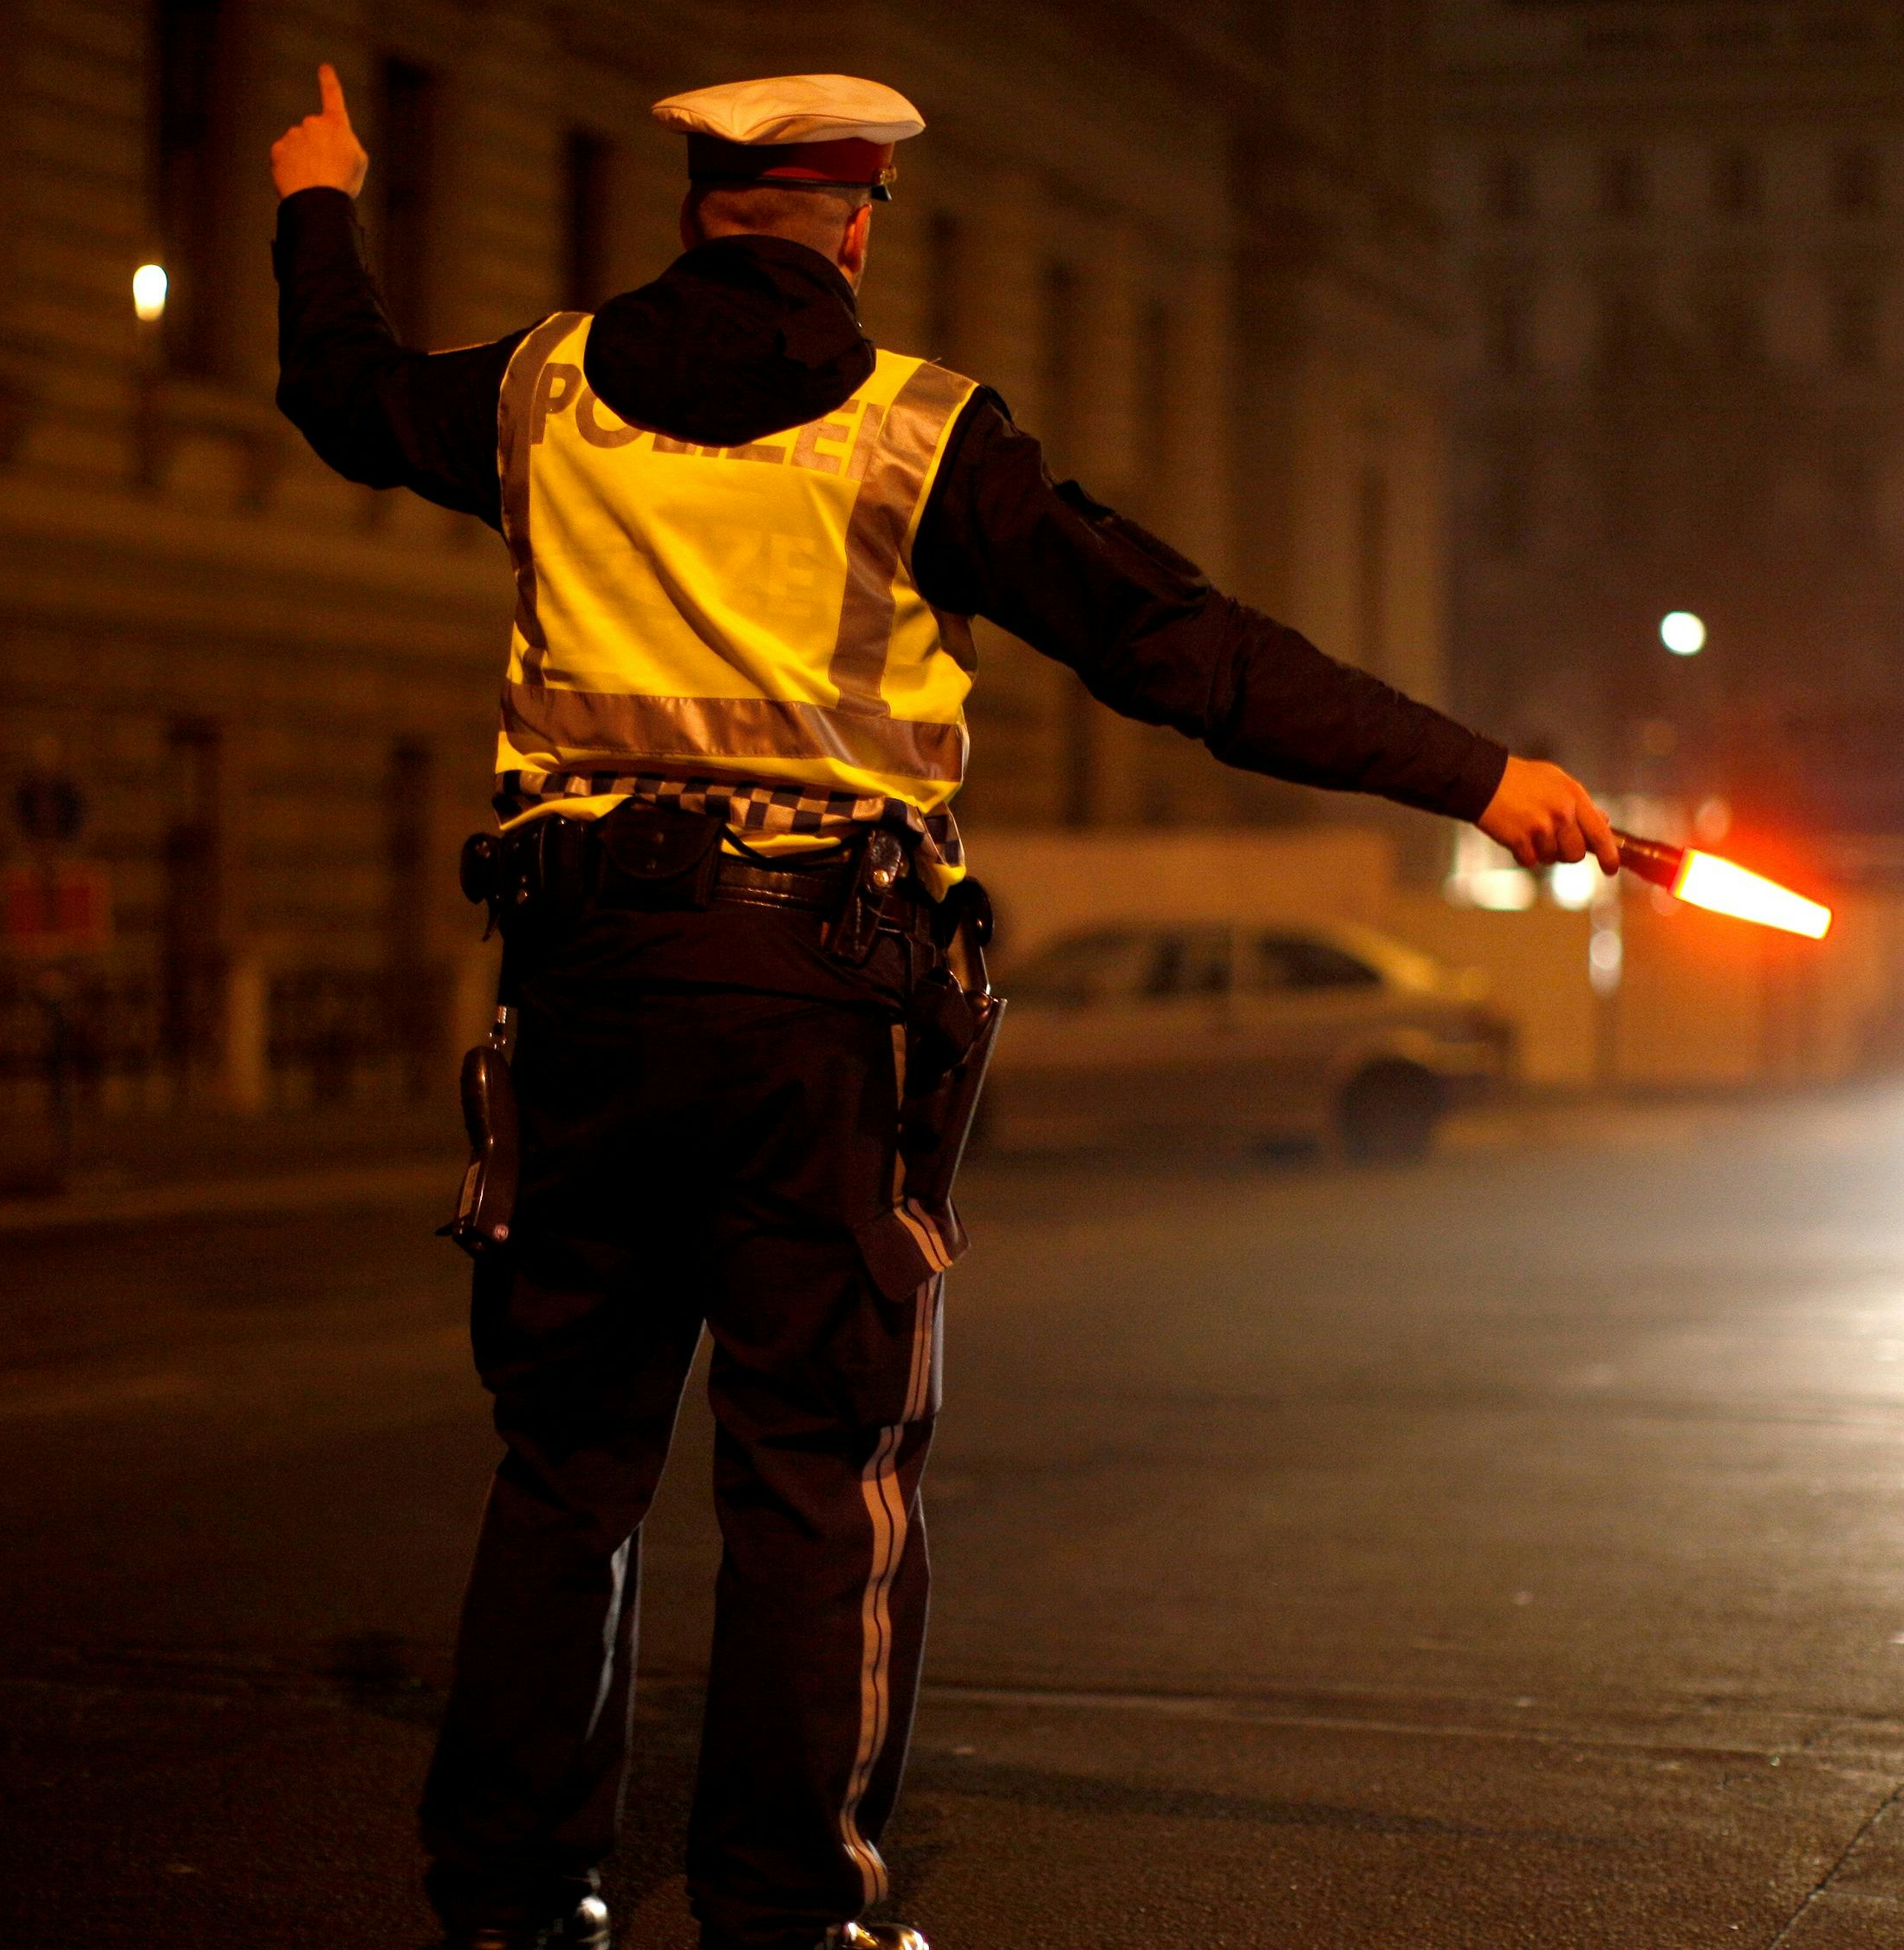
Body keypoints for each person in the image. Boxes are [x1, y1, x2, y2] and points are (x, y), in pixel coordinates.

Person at [269, 68, 1615, 1950]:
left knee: (566, 1464)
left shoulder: (538, 391)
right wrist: (1474, 776)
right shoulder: (920, 432)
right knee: (815, 1475)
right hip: (815, 1011)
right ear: (855, 222)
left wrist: (318, 199)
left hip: (583, 992)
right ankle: (781, 1910)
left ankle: (505, 1904)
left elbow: (342, 392)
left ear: (696, 206)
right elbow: (1186, 654)